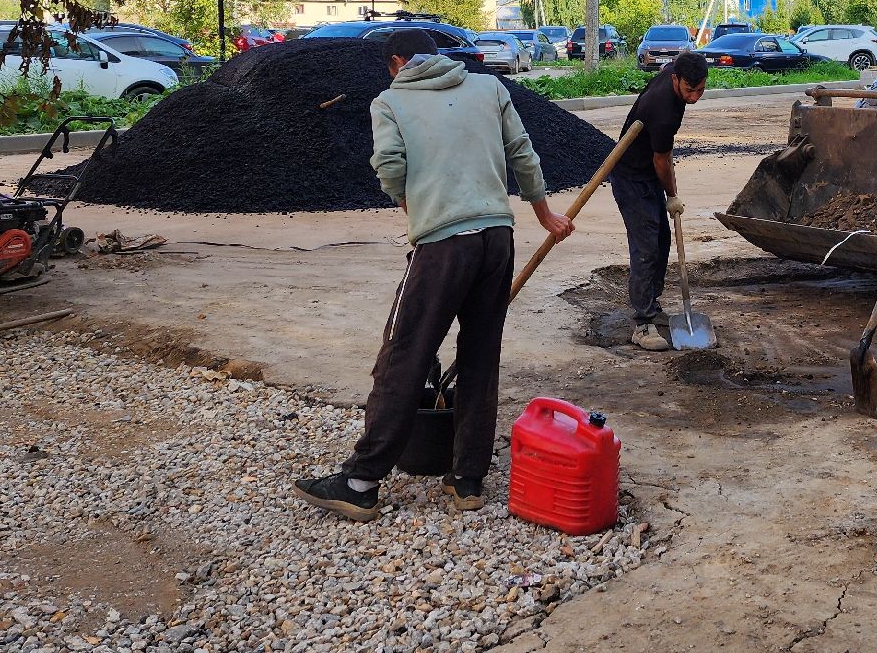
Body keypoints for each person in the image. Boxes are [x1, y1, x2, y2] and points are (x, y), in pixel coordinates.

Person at [294, 29, 574, 519]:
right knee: (481, 356)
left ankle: (360, 482)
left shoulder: (390, 100)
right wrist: (544, 214)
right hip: (496, 238)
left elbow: (388, 165)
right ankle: (467, 480)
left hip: (443, 245)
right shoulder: (488, 87)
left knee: (405, 354)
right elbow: (522, 153)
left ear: (397, 61)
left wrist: (411, 203)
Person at [610, 51, 709, 350]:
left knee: (662, 239)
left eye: (700, 90)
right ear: (675, 79)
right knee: (646, 246)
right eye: (689, 91)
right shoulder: (663, 110)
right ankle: (642, 324)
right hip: (631, 176)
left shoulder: (674, 71)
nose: (693, 98)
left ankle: (651, 304)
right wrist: (672, 196)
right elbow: (662, 160)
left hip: (646, 172)